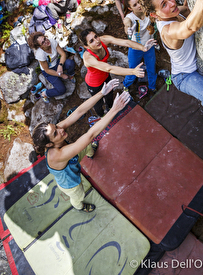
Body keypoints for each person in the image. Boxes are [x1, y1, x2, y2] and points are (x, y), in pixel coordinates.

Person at [32, 81, 130, 212]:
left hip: (73, 158)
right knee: (79, 195)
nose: (60, 129)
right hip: (70, 183)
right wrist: (114, 110)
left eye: (55, 126)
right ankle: (79, 206)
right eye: (56, 133)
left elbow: (78, 111)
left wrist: (102, 93)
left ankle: (90, 153)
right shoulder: (57, 155)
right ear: (49, 144)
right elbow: (90, 135)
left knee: (86, 145)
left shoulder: (56, 132)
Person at [80, 28, 156, 117]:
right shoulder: (88, 58)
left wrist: (143, 48)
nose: (97, 41)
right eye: (91, 41)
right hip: (94, 83)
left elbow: (126, 42)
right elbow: (109, 68)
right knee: (98, 102)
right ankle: (101, 116)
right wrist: (133, 71)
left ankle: (111, 110)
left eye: (96, 36)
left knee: (109, 95)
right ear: (86, 46)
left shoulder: (103, 40)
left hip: (106, 76)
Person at [123, 0, 157, 95]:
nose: (139, 5)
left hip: (149, 46)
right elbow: (127, 21)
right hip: (135, 48)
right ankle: (126, 85)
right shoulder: (130, 17)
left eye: (139, 2)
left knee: (152, 68)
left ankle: (152, 88)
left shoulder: (148, 11)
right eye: (135, 5)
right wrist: (128, 28)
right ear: (130, 8)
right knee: (133, 70)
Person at [28, 32, 76, 102]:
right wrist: (61, 75)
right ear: (40, 47)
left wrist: (60, 65)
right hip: (48, 71)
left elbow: (63, 54)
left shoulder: (52, 42)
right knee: (62, 90)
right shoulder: (40, 54)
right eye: (43, 42)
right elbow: (47, 70)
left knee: (70, 63)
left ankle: (70, 75)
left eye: (45, 38)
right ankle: (45, 93)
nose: (46, 41)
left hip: (56, 63)